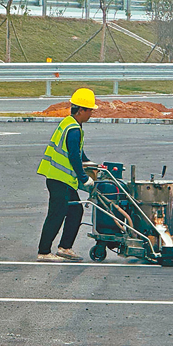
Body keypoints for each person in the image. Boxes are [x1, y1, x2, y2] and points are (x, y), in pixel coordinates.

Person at [36, 88, 99, 262]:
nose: (91, 114)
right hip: (59, 179)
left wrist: (90, 163)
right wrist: (84, 177)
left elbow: (78, 152)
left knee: (75, 210)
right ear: (81, 110)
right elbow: (73, 156)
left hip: (61, 179)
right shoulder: (74, 129)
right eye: (89, 110)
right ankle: (44, 252)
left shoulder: (69, 123)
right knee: (57, 213)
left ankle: (65, 248)